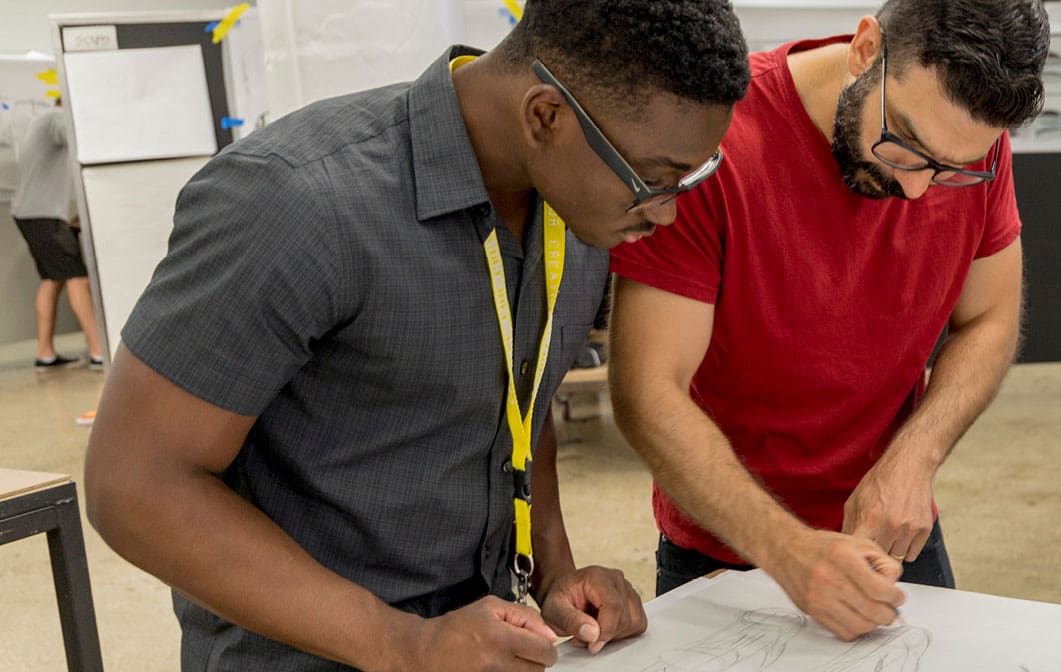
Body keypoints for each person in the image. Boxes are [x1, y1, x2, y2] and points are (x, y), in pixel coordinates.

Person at [84, 1, 750, 670]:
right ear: (545, 115)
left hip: (473, 643)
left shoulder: (574, 209)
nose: (665, 214)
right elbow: (135, 483)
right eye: (653, 181)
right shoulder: (297, 201)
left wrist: (555, 577)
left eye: (690, 178)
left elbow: (521, 398)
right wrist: (400, 643)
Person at [608, 0, 1047, 642]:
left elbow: (988, 318)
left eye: (950, 172)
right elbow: (647, 391)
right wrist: (788, 550)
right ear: (866, 50)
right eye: (907, 147)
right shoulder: (715, 140)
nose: (920, 191)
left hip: (891, 532)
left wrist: (913, 461)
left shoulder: (969, 144)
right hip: (727, 544)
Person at [11, 98, 104, 370]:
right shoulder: (56, 118)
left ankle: (45, 354)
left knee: (53, 279)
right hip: (43, 214)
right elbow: (84, 143)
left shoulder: (44, 122)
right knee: (78, 278)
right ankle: (99, 352)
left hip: (33, 212)